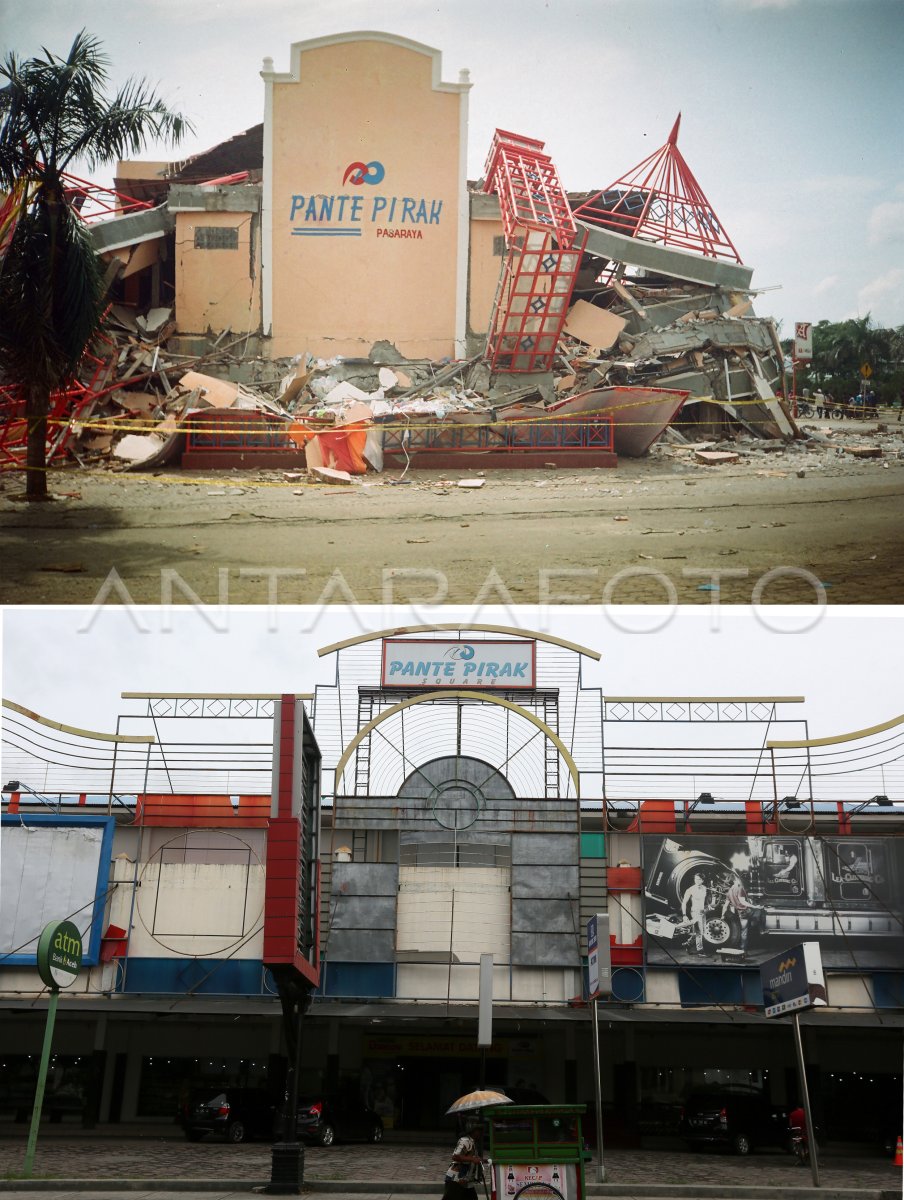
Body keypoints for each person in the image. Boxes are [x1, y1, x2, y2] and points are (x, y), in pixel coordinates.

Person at [443, 1116, 485, 1200]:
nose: (480, 1132)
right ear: (472, 1130)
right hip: (456, 1179)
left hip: (466, 1180)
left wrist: (482, 1160)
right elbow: (455, 1156)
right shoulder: (465, 1141)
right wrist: (473, 1159)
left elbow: (471, 1157)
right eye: (478, 1130)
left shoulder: (473, 1142)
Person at [682, 872, 710, 953]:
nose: (697, 881)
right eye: (695, 879)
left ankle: (688, 944)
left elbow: (705, 900)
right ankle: (700, 951)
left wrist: (708, 906)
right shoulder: (690, 889)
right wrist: (684, 915)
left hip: (703, 912)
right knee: (699, 932)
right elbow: (684, 903)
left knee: (702, 932)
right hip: (695, 912)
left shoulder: (705, 888)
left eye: (699, 879)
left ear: (702, 880)